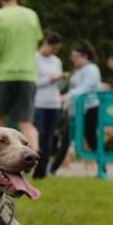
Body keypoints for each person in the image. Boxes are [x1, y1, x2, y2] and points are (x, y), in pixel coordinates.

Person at [0, 0, 42, 150]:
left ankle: (0, 159)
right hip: (27, 75)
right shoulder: (32, 15)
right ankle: (35, 158)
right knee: (26, 123)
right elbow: (36, 44)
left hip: (3, 75)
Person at [50, 40, 101, 174]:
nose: (73, 60)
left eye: (75, 56)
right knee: (66, 139)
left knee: (91, 140)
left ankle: (102, 168)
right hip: (75, 111)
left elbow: (85, 88)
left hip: (89, 109)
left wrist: (67, 96)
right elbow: (73, 87)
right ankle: (52, 169)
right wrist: (67, 104)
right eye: (72, 57)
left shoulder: (92, 69)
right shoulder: (77, 70)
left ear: (85, 56)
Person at [32, 30, 63, 178]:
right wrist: (48, 81)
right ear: (45, 43)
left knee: (50, 137)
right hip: (39, 102)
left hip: (54, 103)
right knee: (39, 135)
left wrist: (61, 81)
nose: (54, 52)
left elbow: (58, 85)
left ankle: (42, 171)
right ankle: (33, 167)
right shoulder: (33, 58)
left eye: (57, 50)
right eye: (53, 48)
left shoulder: (57, 61)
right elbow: (32, 83)